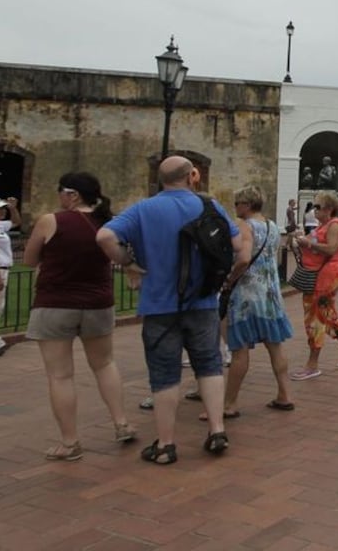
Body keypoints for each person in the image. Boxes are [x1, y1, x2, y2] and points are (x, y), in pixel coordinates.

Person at [96, 156, 249, 465]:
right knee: (209, 365)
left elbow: (104, 236)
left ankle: (166, 444)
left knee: (164, 372)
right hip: (203, 300)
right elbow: (236, 244)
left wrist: (128, 262)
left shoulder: (143, 209)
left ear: (160, 178)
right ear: (192, 176)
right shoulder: (209, 205)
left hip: (160, 303)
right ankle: (217, 430)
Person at [22, 174, 134, 460]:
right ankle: (121, 423)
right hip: (97, 302)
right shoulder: (107, 223)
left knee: (60, 375)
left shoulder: (52, 221)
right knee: (105, 363)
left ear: (72, 195)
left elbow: (30, 259)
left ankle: (70, 442)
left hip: (55, 303)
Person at [223, 186, 294, 416]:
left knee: (240, 350)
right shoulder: (272, 225)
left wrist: (229, 279)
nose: (236, 208)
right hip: (271, 293)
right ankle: (284, 394)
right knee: (275, 346)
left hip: (247, 294)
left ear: (246, 204)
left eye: (237, 203)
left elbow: (243, 259)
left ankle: (230, 403)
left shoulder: (245, 226)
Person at [289, 191, 338, 380]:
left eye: (318, 207)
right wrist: (302, 240)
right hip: (323, 275)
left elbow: (331, 248)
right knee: (328, 315)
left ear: (329, 209)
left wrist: (308, 243)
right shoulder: (324, 226)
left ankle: (312, 365)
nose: (314, 210)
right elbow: (312, 243)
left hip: (325, 277)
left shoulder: (335, 225)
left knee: (316, 319)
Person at [0, 197, 21, 357]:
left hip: (4, 269)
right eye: (0, 209)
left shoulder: (1, 226)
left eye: (4, 209)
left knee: (0, 307)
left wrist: (13, 208)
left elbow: (16, 222)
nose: (3, 211)